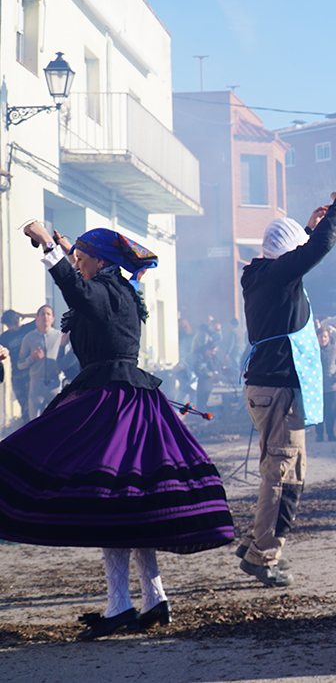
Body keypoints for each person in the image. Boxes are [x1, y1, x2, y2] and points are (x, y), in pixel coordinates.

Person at [2, 222, 234, 639]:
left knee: (108, 501)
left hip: (110, 403)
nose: (76, 262)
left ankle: (120, 605)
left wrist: (49, 247)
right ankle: (154, 597)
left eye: (81, 257)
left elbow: (76, 288)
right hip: (132, 401)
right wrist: (68, 245)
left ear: (99, 261)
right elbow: (85, 273)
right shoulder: (121, 289)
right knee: (132, 504)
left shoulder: (105, 289)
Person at [240, 180, 336, 587]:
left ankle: (257, 539)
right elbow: (316, 251)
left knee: (278, 468)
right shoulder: (278, 277)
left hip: (265, 388)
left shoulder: (258, 274)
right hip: (279, 390)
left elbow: (298, 253)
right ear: (287, 254)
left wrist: (305, 230)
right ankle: (263, 555)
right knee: (284, 474)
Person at [17, 304, 64, 419]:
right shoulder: (29, 338)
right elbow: (20, 365)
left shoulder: (59, 336)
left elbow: (67, 359)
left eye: (48, 314)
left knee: (57, 419)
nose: (45, 316)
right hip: (37, 384)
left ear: (53, 318)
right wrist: (32, 358)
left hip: (55, 384)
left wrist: (61, 367)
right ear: (37, 318)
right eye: (42, 313)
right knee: (35, 420)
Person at [1, 310, 36, 425]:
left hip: (31, 372)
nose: (9, 328)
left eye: (10, 325)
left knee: (31, 404)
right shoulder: (5, 337)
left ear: (16, 321)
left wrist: (24, 315)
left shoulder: (27, 329)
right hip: (16, 374)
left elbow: (41, 315)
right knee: (23, 403)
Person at [316, 323, 336, 442]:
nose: (323, 339)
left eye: (325, 337)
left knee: (330, 411)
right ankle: (319, 434)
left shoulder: (334, 349)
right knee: (319, 412)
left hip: (332, 386)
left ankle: (330, 433)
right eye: (321, 337)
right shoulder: (313, 350)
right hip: (317, 386)